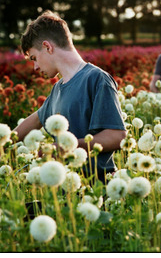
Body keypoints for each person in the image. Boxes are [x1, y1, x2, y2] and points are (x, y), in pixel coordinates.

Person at [14, 10, 126, 182]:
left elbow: (116, 136)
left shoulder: (96, 79)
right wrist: (3, 142)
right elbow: (36, 119)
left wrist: (67, 147)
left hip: (98, 189)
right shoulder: (58, 88)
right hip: (66, 189)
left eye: (34, 58)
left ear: (47, 46)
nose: (35, 67)